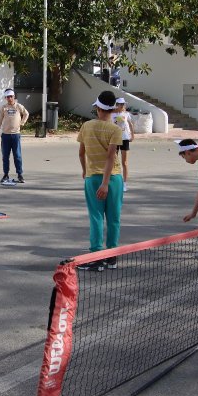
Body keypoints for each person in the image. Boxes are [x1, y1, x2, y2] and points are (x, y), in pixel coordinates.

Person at [77, 90, 123, 270]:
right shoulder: (116, 129)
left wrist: (85, 171)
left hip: (93, 177)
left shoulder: (86, 126)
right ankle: (111, 256)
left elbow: (81, 153)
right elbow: (111, 156)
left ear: (98, 108)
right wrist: (106, 182)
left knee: (96, 217)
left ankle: (96, 256)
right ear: (113, 109)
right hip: (114, 178)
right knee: (114, 217)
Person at [0, 88, 29, 184]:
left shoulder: (18, 106)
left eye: (11, 96)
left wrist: (22, 123)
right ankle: (5, 174)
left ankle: (20, 174)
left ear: (14, 97)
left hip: (15, 135)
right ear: (5, 98)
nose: (9, 98)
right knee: (5, 156)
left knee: (17, 156)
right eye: (7, 97)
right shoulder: (4, 108)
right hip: (5, 135)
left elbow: (26, 114)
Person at [111, 97, 134, 191]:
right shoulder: (111, 114)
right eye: (121, 104)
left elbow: (130, 124)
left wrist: (132, 135)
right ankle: (113, 182)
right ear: (116, 105)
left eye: (123, 104)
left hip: (125, 139)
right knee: (113, 161)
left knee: (124, 162)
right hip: (114, 139)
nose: (122, 106)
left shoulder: (126, 114)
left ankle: (124, 184)